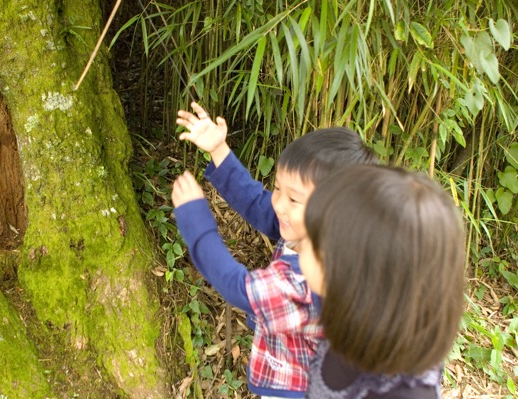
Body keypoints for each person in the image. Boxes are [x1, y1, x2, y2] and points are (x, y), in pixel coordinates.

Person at [172, 102, 378, 398]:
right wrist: (219, 150)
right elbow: (258, 203)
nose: (278, 203)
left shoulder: (309, 281)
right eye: (278, 187)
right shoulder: (314, 232)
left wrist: (195, 221)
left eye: (294, 199)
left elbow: (236, 287)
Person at [297, 164, 466, 399]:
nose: (299, 244)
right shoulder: (347, 306)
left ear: (354, 275)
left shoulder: (406, 394)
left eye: (313, 242)